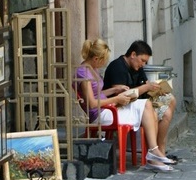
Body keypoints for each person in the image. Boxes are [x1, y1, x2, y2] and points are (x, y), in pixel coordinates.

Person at [76, 39, 177, 172]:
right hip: (101, 114)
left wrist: (114, 90)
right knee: (146, 106)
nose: (104, 64)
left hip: (107, 108)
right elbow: (92, 103)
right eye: (103, 60)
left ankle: (153, 152)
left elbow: (98, 94)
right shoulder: (84, 73)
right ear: (96, 58)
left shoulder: (92, 69)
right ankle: (153, 152)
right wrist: (117, 98)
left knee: (149, 107)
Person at [103, 40, 178, 160]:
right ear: (133, 55)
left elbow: (146, 85)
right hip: (122, 106)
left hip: (140, 101)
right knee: (163, 113)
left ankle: (160, 150)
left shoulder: (137, 67)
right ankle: (155, 152)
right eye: (142, 60)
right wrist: (146, 87)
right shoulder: (117, 67)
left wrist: (157, 90)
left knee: (171, 99)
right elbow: (121, 96)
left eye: (145, 62)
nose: (143, 64)